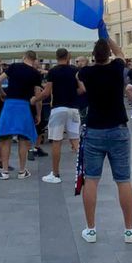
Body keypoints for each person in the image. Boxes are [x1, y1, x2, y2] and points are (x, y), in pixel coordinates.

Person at [77, 37, 132, 244]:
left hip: (94, 130)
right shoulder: (116, 68)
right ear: (109, 55)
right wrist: (107, 37)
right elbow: (120, 52)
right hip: (118, 130)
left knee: (92, 179)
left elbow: (79, 75)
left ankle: (91, 229)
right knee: (123, 180)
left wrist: (90, 60)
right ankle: (129, 230)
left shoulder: (86, 72)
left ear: (94, 56)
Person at [0, 51, 43, 180]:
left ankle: (5, 171)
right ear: (34, 60)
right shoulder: (36, 74)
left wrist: (2, 93)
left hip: (10, 104)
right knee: (24, 139)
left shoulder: (14, 67)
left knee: (6, 138)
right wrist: (38, 114)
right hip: (24, 106)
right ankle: (22, 171)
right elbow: (37, 96)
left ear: (24, 57)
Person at [38, 48, 83, 184]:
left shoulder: (53, 71)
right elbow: (82, 89)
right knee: (75, 141)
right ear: (68, 56)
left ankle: (56, 173)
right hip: (74, 109)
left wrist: (34, 99)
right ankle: (85, 172)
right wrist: (72, 93)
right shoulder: (75, 70)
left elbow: (46, 92)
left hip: (58, 109)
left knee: (56, 141)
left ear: (56, 57)